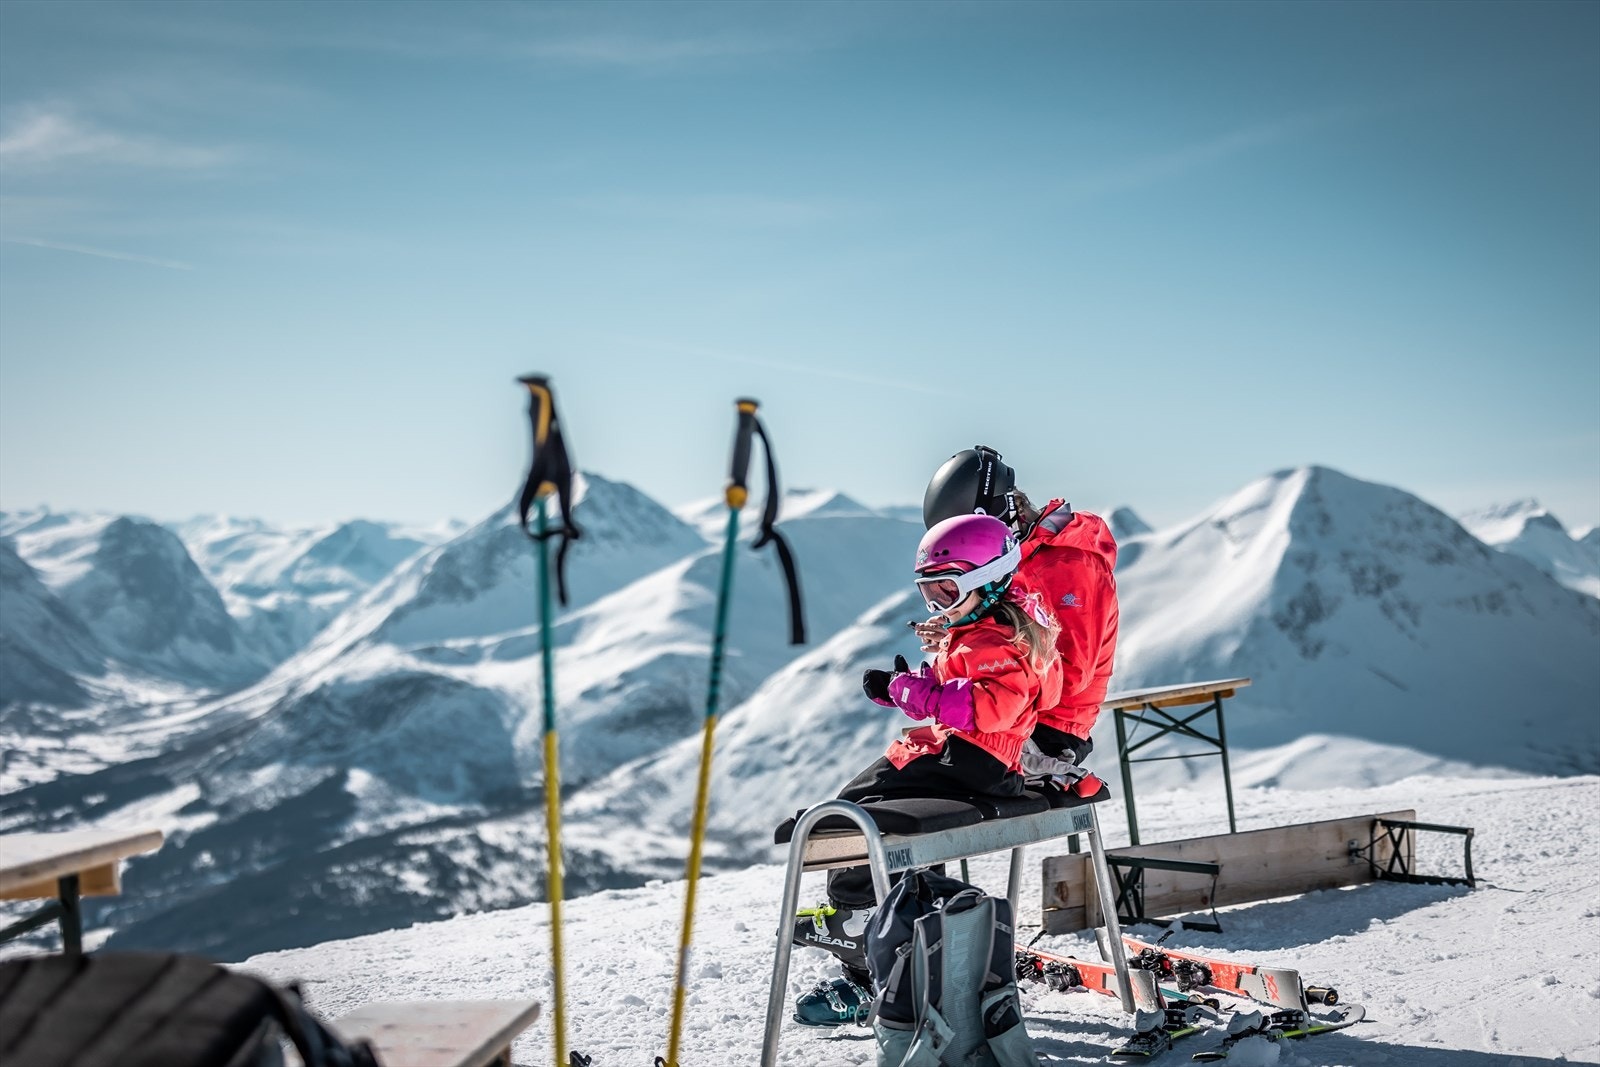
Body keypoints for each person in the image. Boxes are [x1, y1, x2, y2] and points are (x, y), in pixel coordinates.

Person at [791, 513, 1060, 1026]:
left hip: (968, 763)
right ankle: (908, 931)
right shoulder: (986, 631)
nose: (936, 604)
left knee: (849, 816)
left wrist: (911, 692)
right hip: (966, 758)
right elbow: (969, 692)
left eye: (946, 590)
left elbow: (990, 707)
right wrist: (914, 683)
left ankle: (855, 919)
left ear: (987, 579)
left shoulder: (994, 642)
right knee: (888, 819)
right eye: (928, 593)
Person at [921, 445, 1119, 771]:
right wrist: (954, 638)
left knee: (917, 780)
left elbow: (1068, 676)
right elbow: (1009, 639)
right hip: (1010, 717)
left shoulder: (1071, 563)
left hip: (1048, 731)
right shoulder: (1016, 560)